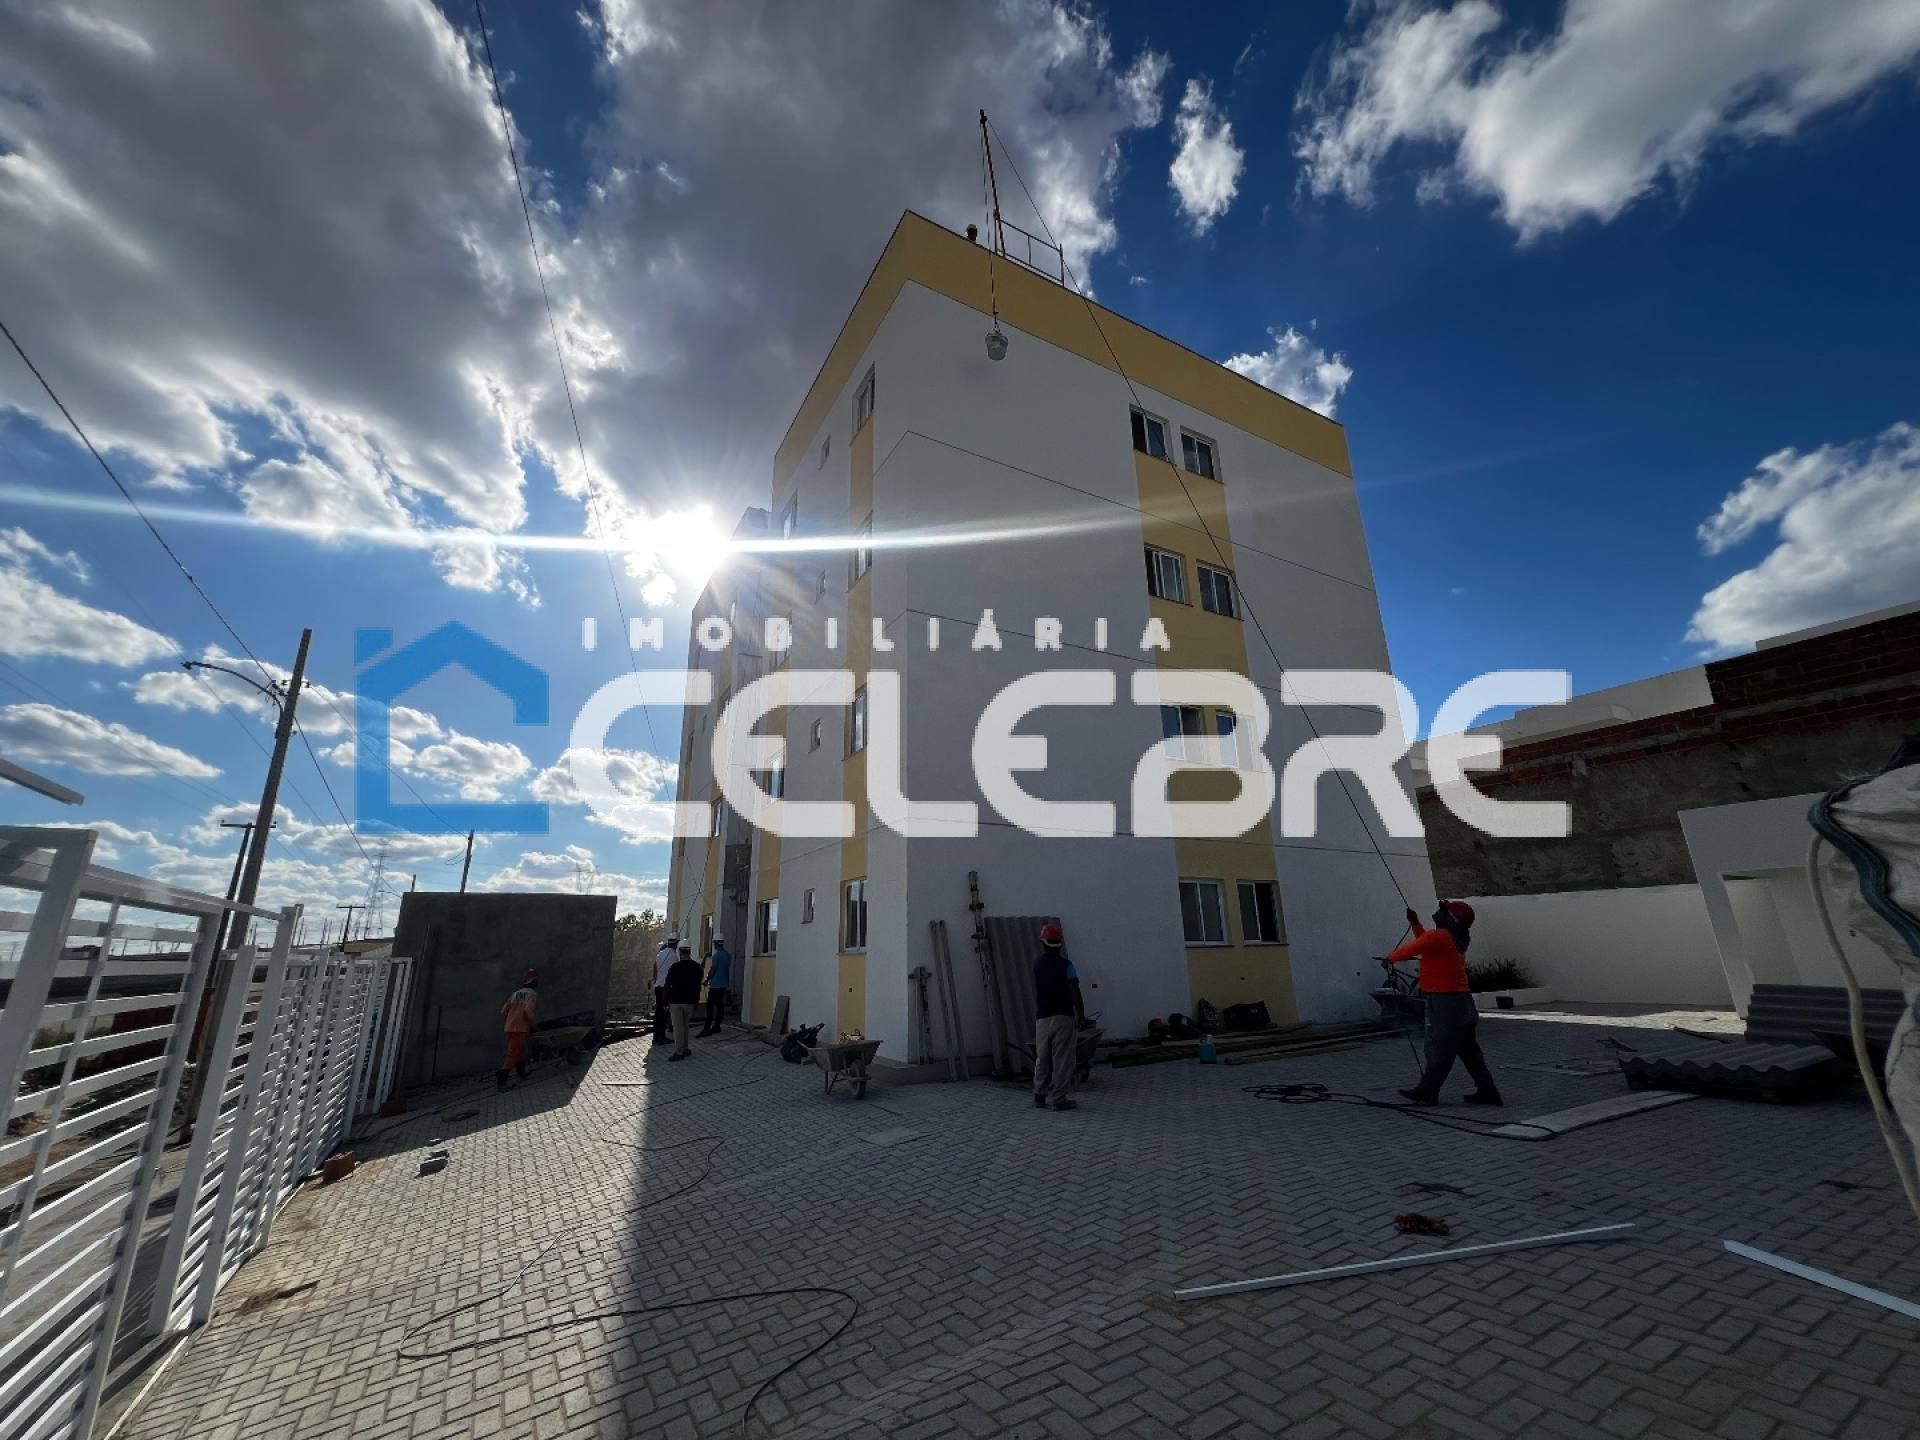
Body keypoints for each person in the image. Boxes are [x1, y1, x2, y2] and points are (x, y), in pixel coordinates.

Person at [1384, 901, 1503, 1106]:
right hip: (1463, 1002)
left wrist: (1390, 959)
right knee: (1469, 1052)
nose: (1439, 912)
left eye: (1443, 910)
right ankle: (1488, 1090)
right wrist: (1415, 924)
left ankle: (1428, 1091)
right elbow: (1426, 941)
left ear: (1450, 918)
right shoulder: (1455, 938)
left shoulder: (1438, 936)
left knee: (1439, 1047)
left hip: (1445, 1002)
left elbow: (1416, 947)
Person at [1030, 922, 1084, 1111]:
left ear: (1043, 943)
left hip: (1042, 1018)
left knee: (1042, 1057)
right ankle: (1059, 1099)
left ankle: (1039, 1095)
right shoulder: (1066, 965)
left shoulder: (1037, 965)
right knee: (1062, 1057)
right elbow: (1074, 990)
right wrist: (1081, 1015)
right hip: (1063, 1016)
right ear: (1059, 943)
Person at [497, 969, 538, 1089]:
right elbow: (528, 1012)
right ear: (534, 981)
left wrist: (511, 1020)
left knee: (520, 1051)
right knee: (513, 1055)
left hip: (510, 1027)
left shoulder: (515, 994)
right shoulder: (532, 994)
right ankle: (501, 1082)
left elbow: (503, 1011)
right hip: (520, 1028)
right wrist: (534, 1026)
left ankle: (521, 1074)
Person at [665, 941, 703, 1060]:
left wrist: (665, 1001)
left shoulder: (675, 967)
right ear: (690, 951)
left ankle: (678, 1052)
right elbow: (698, 986)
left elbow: (667, 985)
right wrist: (696, 1001)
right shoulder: (697, 967)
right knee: (685, 1025)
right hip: (690, 1001)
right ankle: (685, 1048)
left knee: (678, 1028)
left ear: (680, 951)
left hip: (676, 1001)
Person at [699, 935, 733, 1037]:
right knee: (719, 1006)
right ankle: (717, 1026)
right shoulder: (727, 955)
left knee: (710, 1006)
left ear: (715, 943)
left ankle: (707, 1027)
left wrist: (706, 980)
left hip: (715, 985)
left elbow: (713, 970)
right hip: (724, 984)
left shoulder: (717, 956)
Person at [653, 932, 678, 1044]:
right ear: (676, 943)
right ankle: (661, 1037)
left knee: (658, 1012)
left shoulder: (660, 954)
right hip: (666, 989)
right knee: (664, 1013)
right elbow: (674, 974)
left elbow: (655, 969)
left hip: (658, 986)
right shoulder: (674, 956)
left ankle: (656, 1037)